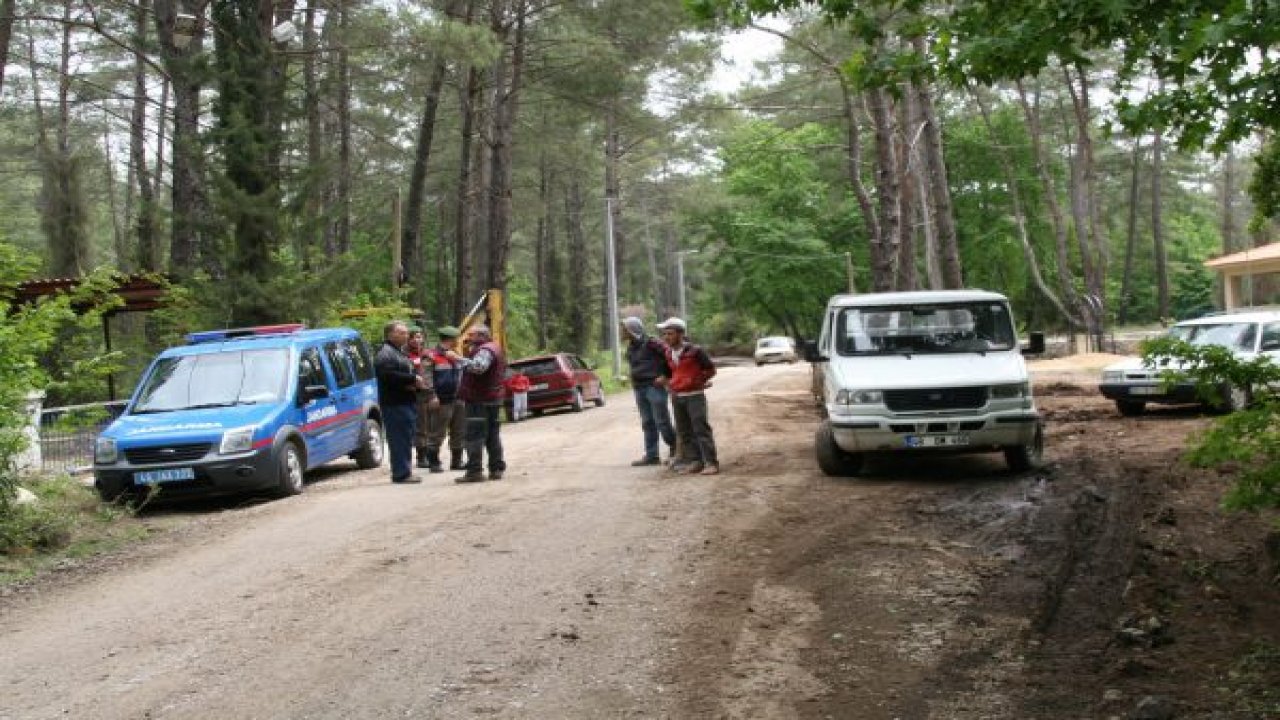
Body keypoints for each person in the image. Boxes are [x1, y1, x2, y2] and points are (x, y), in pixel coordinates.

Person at [654, 317, 719, 476]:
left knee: (700, 429)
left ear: (681, 334)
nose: (666, 338)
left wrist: (698, 381)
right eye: (665, 334)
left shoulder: (696, 351)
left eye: (670, 334)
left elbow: (711, 370)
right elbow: (669, 374)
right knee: (684, 431)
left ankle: (711, 463)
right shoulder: (668, 353)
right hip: (678, 396)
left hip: (694, 396)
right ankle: (695, 461)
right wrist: (666, 382)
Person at [448, 324, 507, 483]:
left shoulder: (485, 350)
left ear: (481, 336)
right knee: (492, 436)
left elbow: (479, 367)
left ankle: (474, 472)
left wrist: (457, 359)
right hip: (491, 399)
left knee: (474, 436)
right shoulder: (496, 348)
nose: (468, 338)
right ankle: (496, 469)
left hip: (479, 401)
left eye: (471, 335)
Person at [374, 320, 427, 484]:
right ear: (391, 334)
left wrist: (416, 385)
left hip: (405, 401)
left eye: (406, 333)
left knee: (406, 436)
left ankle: (405, 470)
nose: (406, 336)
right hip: (395, 403)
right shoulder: (385, 353)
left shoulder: (398, 352)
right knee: (399, 438)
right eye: (402, 333)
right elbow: (387, 375)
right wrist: (412, 379)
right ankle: (401, 473)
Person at [621, 316, 675, 466]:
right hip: (639, 388)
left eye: (624, 328)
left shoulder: (652, 342)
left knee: (662, 422)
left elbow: (670, 354)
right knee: (647, 422)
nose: (622, 332)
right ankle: (652, 456)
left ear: (632, 329)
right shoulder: (631, 346)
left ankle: (676, 448)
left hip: (654, 387)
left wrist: (666, 376)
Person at [422, 325, 466, 473]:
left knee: (459, 430)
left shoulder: (455, 355)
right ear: (450, 339)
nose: (458, 341)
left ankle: (457, 461)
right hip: (441, 400)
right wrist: (432, 395)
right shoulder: (431, 356)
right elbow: (426, 378)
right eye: (456, 339)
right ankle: (434, 462)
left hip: (458, 398)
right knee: (437, 432)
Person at [406, 327, 437, 469]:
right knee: (421, 426)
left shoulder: (428, 354)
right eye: (414, 337)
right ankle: (421, 456)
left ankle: (433, 455)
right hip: (415, 394)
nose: (417, 340)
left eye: (419, 337)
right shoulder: (404, 355)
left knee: (433, 426)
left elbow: (435, 374)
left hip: (431, 393)